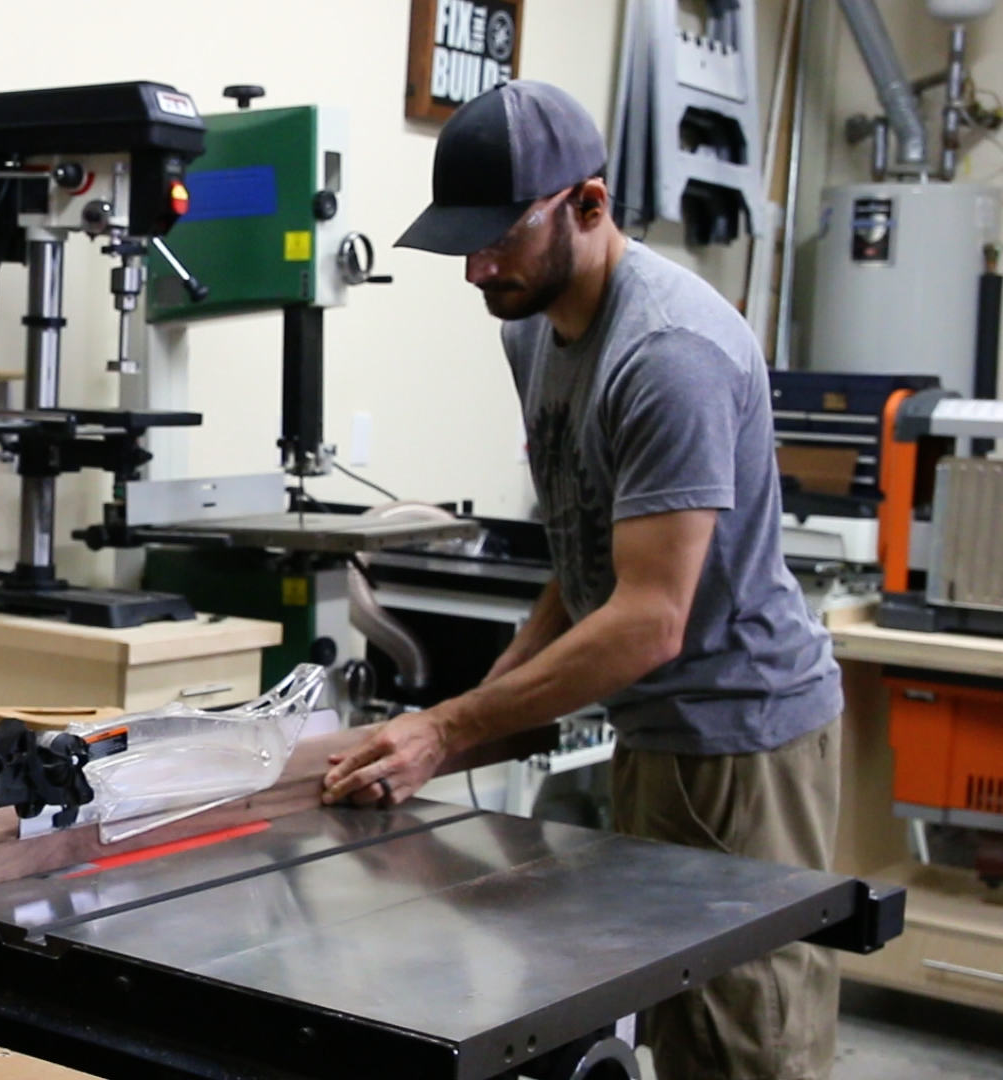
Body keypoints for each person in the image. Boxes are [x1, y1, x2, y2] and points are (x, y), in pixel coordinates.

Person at [323, 81, 844, 1080]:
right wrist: (466, 719)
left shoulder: (668, 355)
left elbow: (650, 620)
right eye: (462, 244)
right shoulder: (532, 321)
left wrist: (448, 729)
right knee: (669, 1018)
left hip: (743, 739)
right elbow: (586, 558)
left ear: (590, 206)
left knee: (744, 1044)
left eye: (498, 240)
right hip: (657, 734)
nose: (478, 268)